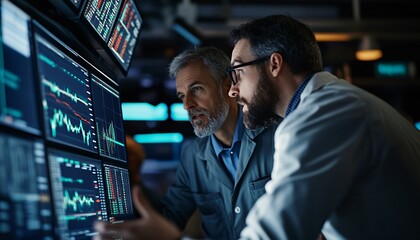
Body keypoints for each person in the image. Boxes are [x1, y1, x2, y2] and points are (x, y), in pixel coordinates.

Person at [226, 15, 420, 239]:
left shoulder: (321, 114)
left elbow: (275, 233)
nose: (232, 90)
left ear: (275, 64)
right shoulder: (341, 102)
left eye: (237, 72)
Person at [94, 47, 280, 240]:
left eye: (196, 89)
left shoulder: (278, 137)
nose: (187, 105)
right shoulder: (192, 155)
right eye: (182, 96)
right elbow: (167, 219)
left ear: (227, 84)